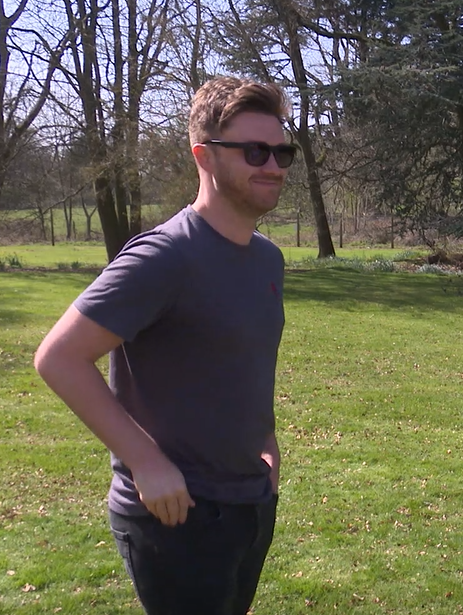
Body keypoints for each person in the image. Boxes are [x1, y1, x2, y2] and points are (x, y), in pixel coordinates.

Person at [34, 76, 297, 615]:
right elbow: (59, 357)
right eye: (254, 151)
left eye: (282, 151)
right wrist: (145, 462)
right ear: (204, 156)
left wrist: (267, 443)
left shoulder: (267, 259)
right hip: (177, 515)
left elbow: (243, 364)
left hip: (250, 502)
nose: (273, 165)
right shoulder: (163, 256)